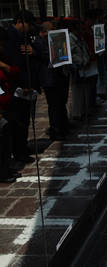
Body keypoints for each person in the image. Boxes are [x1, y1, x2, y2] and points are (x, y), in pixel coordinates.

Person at [6, 10, 37, 164]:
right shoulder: (10, 36)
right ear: (20, 22)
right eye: (28, 24)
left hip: (25, 82)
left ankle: (22, 147)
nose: (29, 28)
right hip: (17, 85)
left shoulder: (23, 37)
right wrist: (22, 85)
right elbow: (15, 62)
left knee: (25, 119)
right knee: (19, 121)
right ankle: (19, 152)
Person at [32, 21, 70, 141]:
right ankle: (55, 130)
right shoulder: (38, 42)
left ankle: (63, 126)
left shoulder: (50, 39)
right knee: (54, 105)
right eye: (52, 29)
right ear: (45, 31)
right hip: (49, 78)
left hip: (58, 76)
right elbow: (47, 55)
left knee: (61, 103)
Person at [0, 26, 21, 182]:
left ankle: (6, 168)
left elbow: (14, 70)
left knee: (6, 140)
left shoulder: (3, 57)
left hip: (6, 102)